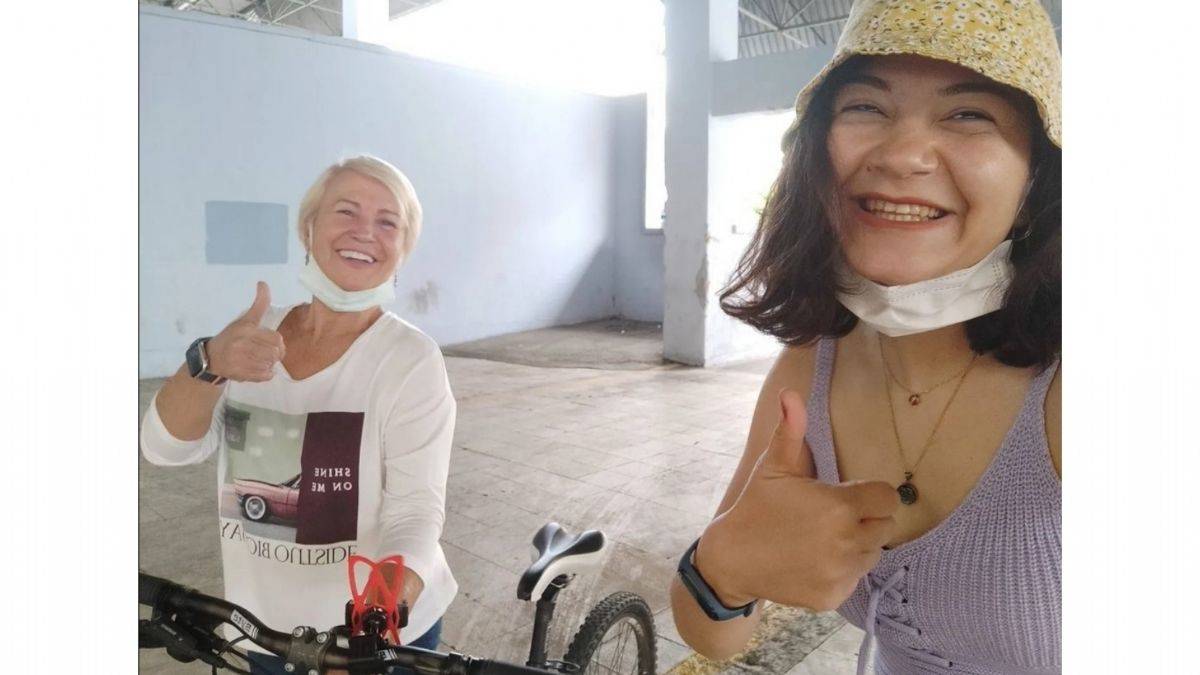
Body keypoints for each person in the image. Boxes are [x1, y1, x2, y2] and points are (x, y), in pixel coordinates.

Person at [669, 1, 1061, 673]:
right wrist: (722, 569)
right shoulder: (808, 368)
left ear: (1034, 185)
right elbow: (713, 635)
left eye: (969, 115)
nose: (902, 155)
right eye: (865, 108)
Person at [141, 155, 458, 674]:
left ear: (403, 249)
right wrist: (209, 362)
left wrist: (372, 625)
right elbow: (164, 448)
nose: (365, 232)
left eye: (388, 222)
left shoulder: (410, 360)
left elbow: (416, 513)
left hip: (372, 643)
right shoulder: (252, 337)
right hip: (260, 631)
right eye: (346, 211)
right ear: (308, 228)